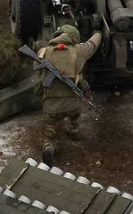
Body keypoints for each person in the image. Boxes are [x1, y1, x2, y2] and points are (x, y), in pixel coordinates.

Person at [35, 24, 102, 167]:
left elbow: (39, 80)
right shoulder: (79, 50)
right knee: (75, 111)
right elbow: (93, 44)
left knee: (50, 130)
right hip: (73, 105)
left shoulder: (44, 52)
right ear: (74, 38)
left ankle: (49, 146)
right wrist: (98, 32)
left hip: (51, 106)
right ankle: (74, 129)